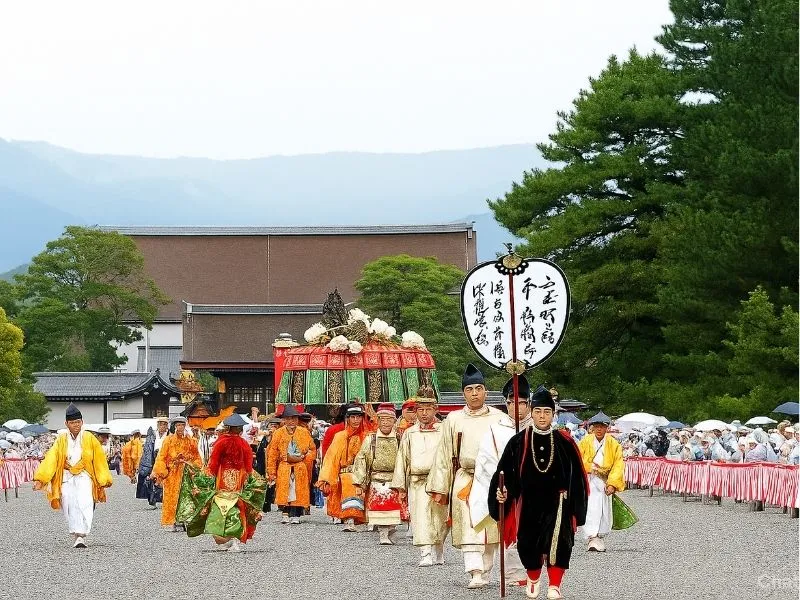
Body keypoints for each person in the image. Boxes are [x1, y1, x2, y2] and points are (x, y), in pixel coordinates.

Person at [489, 386, 588, 600]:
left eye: (547, 412)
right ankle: (533, 578)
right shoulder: (518, 442)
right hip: (529, 502)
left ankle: (555, 584)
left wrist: (578, 508)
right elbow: (504, 473)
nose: (542, 416)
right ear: (531, 412)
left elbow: (578, 477)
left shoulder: (565, 442)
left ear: (553, 414)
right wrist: (502, 492)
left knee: (560, 543)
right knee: (528, 542)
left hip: (558, 502)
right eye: (538, 411)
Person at [426, 364, 508, 589]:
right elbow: (444, 455)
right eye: (470, 389)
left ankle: (487, 569)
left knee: (491, 527)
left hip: (492, 480)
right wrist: (440, 487)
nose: (475, 393)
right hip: (466, 478)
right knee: (469, 527)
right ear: (463, 393)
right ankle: (474, 571)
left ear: (486, 391)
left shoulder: (500, 418)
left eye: (479, 388)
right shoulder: (453, 419)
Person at [469, 375, 532, 587]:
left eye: (522, 403)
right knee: (493, 530)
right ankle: (482, 572)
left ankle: (519, 574)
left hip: (530, 490)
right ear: (506, 403)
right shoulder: (495, 429)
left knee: (527, 531)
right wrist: (502, 485)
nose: (517, 407)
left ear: (529, 403)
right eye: (512, 402)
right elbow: (487, 461)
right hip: (501, 488)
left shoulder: (537, 429)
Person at [32, 404, 113, 548]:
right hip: (67, 476)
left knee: (85, 501)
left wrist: (104, 478)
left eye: (78, 422)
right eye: (72, 423)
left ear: (82, 422)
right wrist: (41, 478)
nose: (76, 425)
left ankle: (81, 535)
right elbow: (52, 458)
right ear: (66, 424)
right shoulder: (61, 439)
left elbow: (99, 459)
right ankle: (76, 534)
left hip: (84, 476)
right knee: (68, 503)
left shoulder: (89, 438)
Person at [181, 413, 264, 553]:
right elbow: (249, 466)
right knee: (237, 505)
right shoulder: (244, 443)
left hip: (223, 478)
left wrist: (205, 478)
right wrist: (249, 477)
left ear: (227, 428)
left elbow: (213, 464)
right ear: (239, 429)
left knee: (220, 506)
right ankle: (235, 536)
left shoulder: (221, 442)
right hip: (239, 479)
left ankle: (225, 538)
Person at [391, 386, 447, 566]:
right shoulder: (409, 433)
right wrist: (400, 486)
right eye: (420, 409)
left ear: (435, 409)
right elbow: (402, 459)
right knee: (420, 517)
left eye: (428, 409)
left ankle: (439, 548)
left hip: (439, 480)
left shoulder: (444, 430)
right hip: (417, 481)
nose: (424, 413)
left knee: (440, 518)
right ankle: (425, 553)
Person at [353, 403, 406, 545]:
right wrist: (359, 483)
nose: (385, 423)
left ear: (395, 421)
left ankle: (391, 530)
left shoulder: (401, 438)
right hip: (377, 479)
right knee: (380, 508)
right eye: (382, 419)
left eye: (389, 419)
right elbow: (361, 459)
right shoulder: (371, 439)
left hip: (396, 479)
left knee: (394, 509)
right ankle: (383, 533)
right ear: (378, 421)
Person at [318, 403, 372, 530]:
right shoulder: (340, 436)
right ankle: (349, 518)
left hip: (364, 472)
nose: (355, 420)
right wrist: (326, 478)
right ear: (347, 419)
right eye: (352, 417)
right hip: (346, 472)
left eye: (358, 417)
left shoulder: (367, 435)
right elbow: (332, 457)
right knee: (349, 482)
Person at [577, 412, 624, 553]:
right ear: (591, 428)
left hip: (604, 481)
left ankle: (599, 535)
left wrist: (612, 484)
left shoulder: (613, 444)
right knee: (591, 508)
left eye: (602, 427)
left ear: (606, 428)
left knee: (603, 508)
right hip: (589, 480)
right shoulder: (585, 442)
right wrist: (589, 468)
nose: (599, 429)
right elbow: (577, 459)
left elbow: (618, 464)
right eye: (596, 426)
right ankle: (592, 536)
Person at [267, 405, 316, 524]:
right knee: (285, 488)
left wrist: (305, 457)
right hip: (284, 465)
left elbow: (312, 449)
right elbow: (272, 453)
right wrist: (271, 472)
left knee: (298, 489)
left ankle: (296, 513)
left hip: (300, 465)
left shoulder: (304, 432)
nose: (291, 421)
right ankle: (285, 512)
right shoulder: (278, 433)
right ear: (284, 420)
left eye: (294, 418)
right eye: (288, 419)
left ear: (297, 419)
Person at [152, 416, 201, 531]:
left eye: (182, 425)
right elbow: (162, 456)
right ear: (174, 426)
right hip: (172, 473)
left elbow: (196, 457)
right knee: (172, 497)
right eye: (178, 425)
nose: (180, 427)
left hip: (186, 472)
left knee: (186, 496)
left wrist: (194, 466)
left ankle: (185, 519)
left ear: (185, 426)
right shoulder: (168, 440)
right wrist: (161, 472)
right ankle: (172, 521)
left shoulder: (190, 441)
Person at [255, 417, 281, 512]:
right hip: (263, 464)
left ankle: (280, 504)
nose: (272, 428)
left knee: (276, 484)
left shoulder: (279, 437)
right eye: (271, 426)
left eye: (274, 426)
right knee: (265, 484)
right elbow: (259, 452)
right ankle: (266, 504)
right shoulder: (264, 438)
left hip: (276, 463)